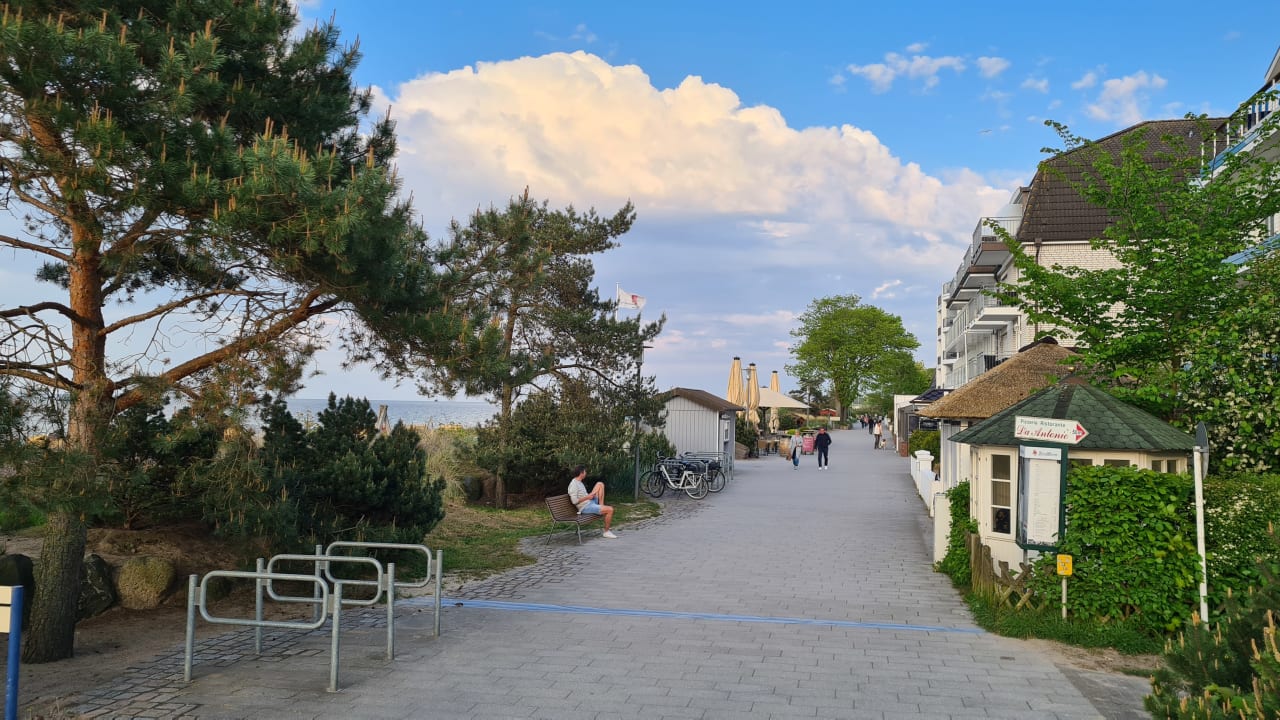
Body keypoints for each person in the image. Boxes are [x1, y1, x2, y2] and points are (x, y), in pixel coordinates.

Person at [567, 465, 616, 538]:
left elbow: (583, 496)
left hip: (589, 502)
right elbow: (574, 501)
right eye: (585, 471)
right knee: (610, 509)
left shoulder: (579, 482)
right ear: (581, 473)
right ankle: (606, 532)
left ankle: (601, 505)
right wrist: (588, 497)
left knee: (600, 484)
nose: (586, 473)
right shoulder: (574, 484)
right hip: (585, 507)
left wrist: (590, 496)